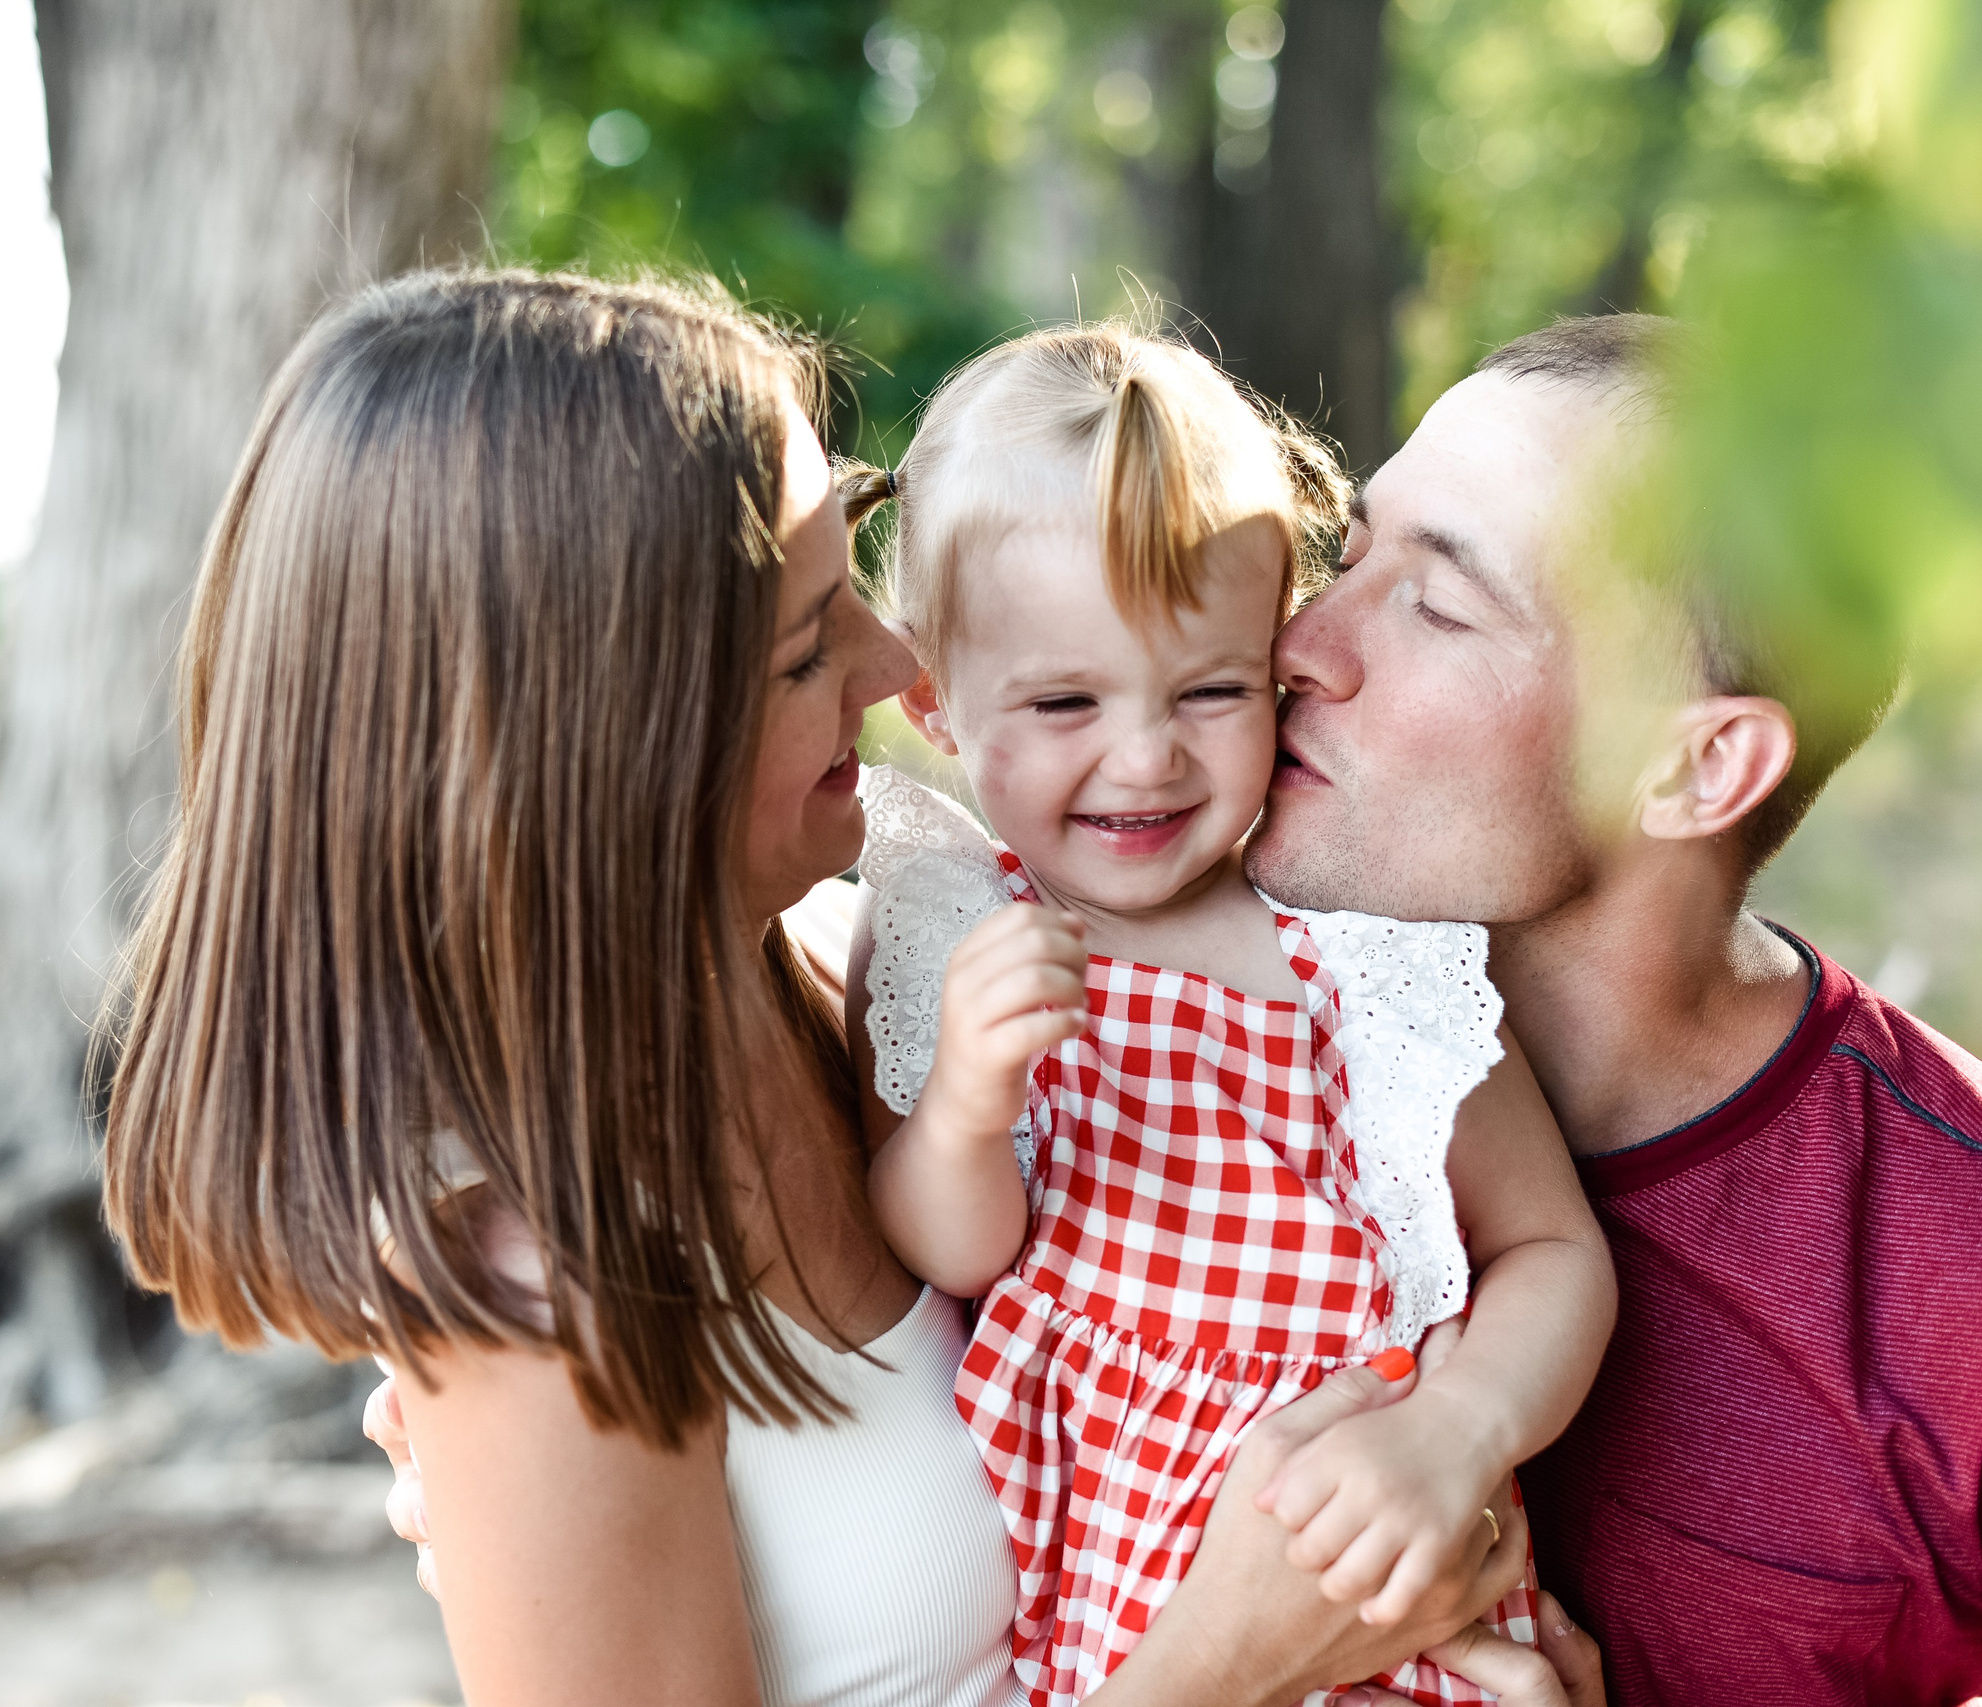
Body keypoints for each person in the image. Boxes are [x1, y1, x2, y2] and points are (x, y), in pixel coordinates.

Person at [103, 269, 1583, 1707]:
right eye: (811, 646)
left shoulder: (855, 979)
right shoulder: (541, 1292)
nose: (893, 666)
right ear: (614, 744)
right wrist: (1230, 1660)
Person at [1249, 313, 1982, 1703]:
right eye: (1347, 554)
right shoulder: (1119, 1030)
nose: (1302, 643)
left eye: (1437, 606)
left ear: (1697, 768)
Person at [841, 323, 1616, 1707]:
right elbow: (946, 1250)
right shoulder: (954, 928)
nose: (1146, 758)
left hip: (1370, 1575)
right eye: (1066, 700)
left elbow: (1552, 1245)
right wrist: (967, 1099)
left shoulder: (1365, 959)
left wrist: (1460, 1426)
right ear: (933, 702)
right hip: (1119, 1614)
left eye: (1212, 689)